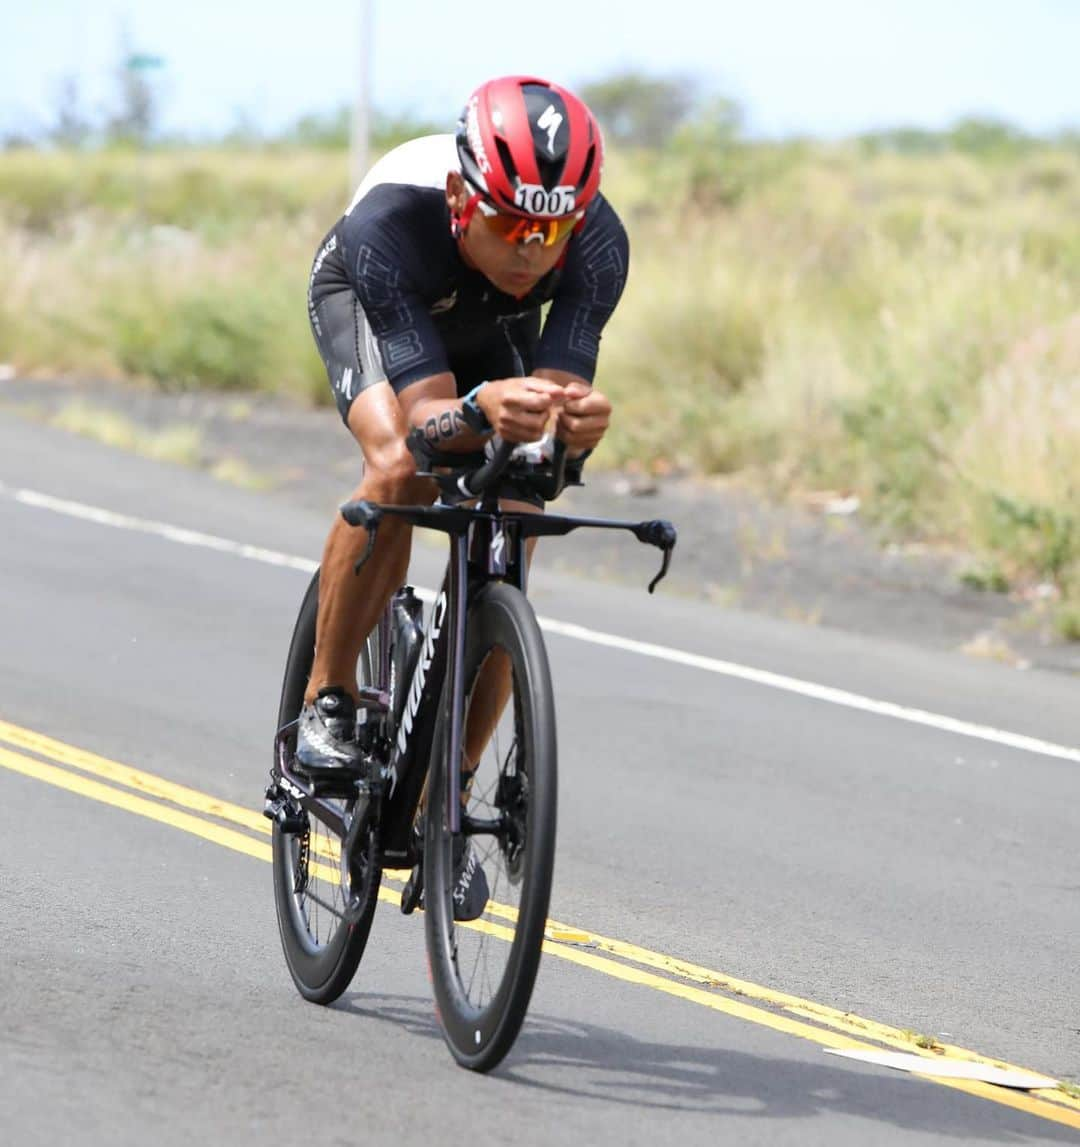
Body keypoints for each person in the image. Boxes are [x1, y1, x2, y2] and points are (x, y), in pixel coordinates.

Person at [300, 74, 629, 917]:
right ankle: (326, 699)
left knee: (517, 513)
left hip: (491, 326)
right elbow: (422, 427)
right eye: (512, 223)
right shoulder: (391, 227)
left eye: (550, 229)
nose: (531, 247)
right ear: (460, 194)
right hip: (380, 305)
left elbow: (541, 441)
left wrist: (566, 440)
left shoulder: (596, 245)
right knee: (397, 471)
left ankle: (448, 792)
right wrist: (480, 412)